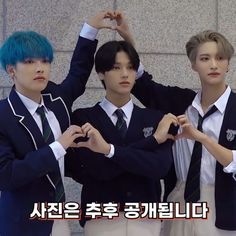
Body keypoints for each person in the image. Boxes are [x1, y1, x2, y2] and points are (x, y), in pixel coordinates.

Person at [0, 11, 115, 236]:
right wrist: (58, 146)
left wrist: (90, 29)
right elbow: (6, 176)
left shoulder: (56, 98)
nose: (40, 67)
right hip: (21, 223)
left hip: (59, 217)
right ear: (11, 70)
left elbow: (78, 73)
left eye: (44, 61)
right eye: (29, 61)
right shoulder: (3, 114)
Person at [65, 27, 175, 236]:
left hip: (146, 220)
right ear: (101, 73)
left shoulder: (155, 118)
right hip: (100, 220)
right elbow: (97, 169)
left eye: (131, 67)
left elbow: (159, 168)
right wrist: (151, 142)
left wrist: (108, 150)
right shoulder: (83, 118)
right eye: (116, 67)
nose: (125, 74)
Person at [129, 27, 236, 235]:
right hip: (180, 200)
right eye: (205, 58)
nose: (213, 65)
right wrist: (128, 39)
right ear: (193, 64)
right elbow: (143, 85)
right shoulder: (179, 102)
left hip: (224, 206)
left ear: (228, 64)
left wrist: (202, 138)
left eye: (220, 58)